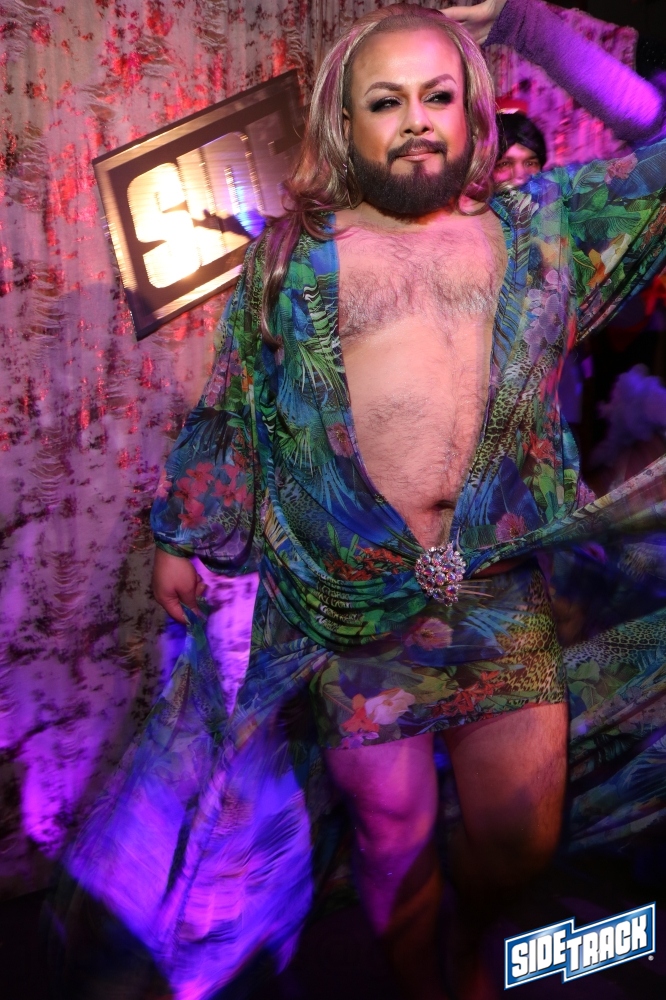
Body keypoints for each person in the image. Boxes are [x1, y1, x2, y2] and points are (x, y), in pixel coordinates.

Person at [53, 3, 666, 1000]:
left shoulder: (546, 229)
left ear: (471, 112)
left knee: (522, 838)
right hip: (352, 608)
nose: (415, 119)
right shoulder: (293, 257)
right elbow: (237, 402)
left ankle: (475, 932)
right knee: (391, 839)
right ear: (346, 123)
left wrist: (524, 22)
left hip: (498, 596)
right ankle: (433, 982)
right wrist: (181, 532)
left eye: (437, 96)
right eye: (386, 102)